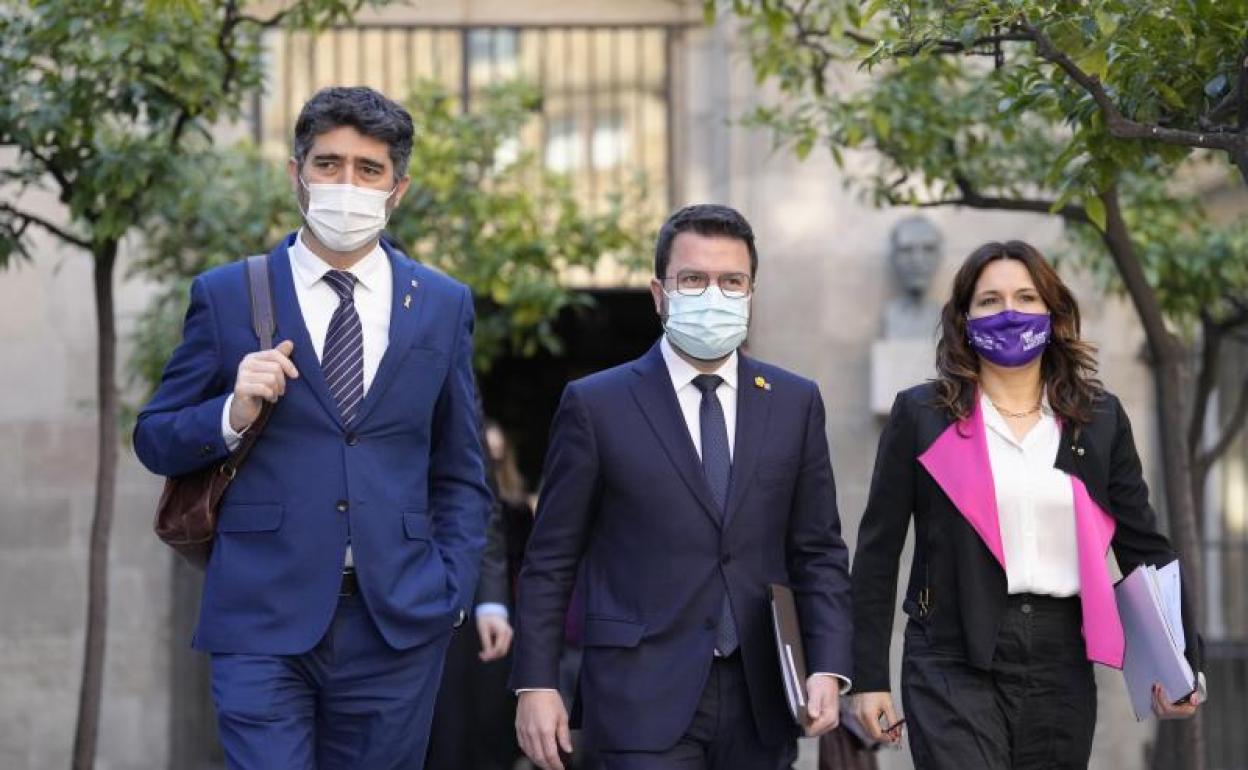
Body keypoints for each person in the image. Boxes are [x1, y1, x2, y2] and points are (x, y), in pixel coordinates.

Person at [133, 86, 490, 769]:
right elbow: (155, 437)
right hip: (260, 616)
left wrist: (449, 588)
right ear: (295, 173)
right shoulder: (229, 293)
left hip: (398, 620)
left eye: (367, 169)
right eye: (328, 165)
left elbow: (460, 469)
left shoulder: (442, 305)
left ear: (398, 188)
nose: (346, 183)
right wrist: (231, 414)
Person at [511, 203, 854, 770]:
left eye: (731, 281)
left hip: (761, 696)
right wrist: (535, 683)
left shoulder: (795, 402)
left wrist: (829, 665)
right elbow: (550, 558)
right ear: (659, 293)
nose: (713, 294)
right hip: (637, 696)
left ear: (751, 293)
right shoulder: (597, 405)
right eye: (693, 279)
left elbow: (818, 548)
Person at [850, 240, 1204, 769]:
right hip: (951, 653)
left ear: (1053, 314)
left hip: (1061, 659)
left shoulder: (1097, 418)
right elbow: (877, 552)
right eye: (990, 300)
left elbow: (1143, 545)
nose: (1009, 312)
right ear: (965, 317)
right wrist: (868, 677)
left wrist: (1182, 662)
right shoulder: (922, 415)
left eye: (1026, 297)